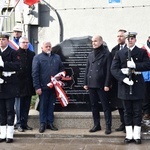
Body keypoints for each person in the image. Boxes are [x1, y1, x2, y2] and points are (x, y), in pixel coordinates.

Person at [111, 32, 150, 144]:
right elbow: (114, 69)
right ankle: (129, 135)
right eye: (128, 39)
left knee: (137, 111)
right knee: (127, 112)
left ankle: (137, 135)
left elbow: (148, 65)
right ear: (126, 40)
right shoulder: (119, 53)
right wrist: (123, 78)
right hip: (125, 85)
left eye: (132, 39)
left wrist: (136, 66)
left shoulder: (141, 52)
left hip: (137, 85)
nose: (130, 41)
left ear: (135, 40)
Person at [32, 41, 65, 133]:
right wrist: (37, 87)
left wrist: (59, 77)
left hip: (54, 87)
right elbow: (35, 73)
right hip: (43, 87)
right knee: (43, 106)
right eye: (46, 46)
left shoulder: (57, 57)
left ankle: (50, 123)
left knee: (51, 105)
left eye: (50, 46)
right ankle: (43, 123)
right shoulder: (37, 58)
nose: (48, 48)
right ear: (42, 48)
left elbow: (61, 69)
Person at [83, 35, 112, 135]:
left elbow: (109, 70)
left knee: (105, 106)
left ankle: (108, 126)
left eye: (95, 41)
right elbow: (87, 69)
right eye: (92, 41)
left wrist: (107, 84)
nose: (93, 43)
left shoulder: (107, 54)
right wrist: (85, 82)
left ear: (101, 42)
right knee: (94, 105)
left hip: (102, 84)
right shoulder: (91, 54)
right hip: (91, 84)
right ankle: (97, 125)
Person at [0, 32, 21, 143]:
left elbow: (17, 66)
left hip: (10, 86)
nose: (1, 41)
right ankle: (2, 134)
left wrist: (3, 65)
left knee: (9, 110)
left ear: (8, 40)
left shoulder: (13, 53)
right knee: (1, 111)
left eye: (3, 39)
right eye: (0, 39)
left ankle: (10, 134)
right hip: (0, 86)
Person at [15, 37, 35, 132]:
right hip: (19, 85)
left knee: (26, 105)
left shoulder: (32, 54)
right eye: (23, 42)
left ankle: (24, 123)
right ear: (19, 43)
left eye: (27, 42)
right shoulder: (15, 54)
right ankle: (19, 124)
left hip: (28, 84)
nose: (26, 44)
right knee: (18, 106)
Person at [110, 29, 127, 132]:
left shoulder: (129, 49)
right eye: (118, 36)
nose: (119, 38)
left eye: (121, 36)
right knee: (119, 104)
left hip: (127, 81)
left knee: (127, 104)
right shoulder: (114, 50)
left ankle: (128, 124)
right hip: (117, 82)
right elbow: (111, 67)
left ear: (125, 37)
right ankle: (123, 123)